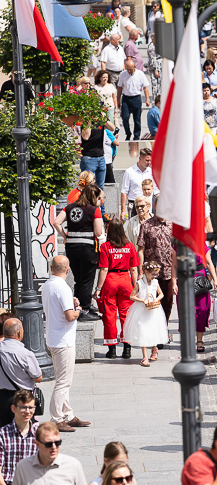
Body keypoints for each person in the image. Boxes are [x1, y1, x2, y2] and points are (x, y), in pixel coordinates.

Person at [41, 257, 91, 433]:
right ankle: (56, 418)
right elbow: (70, 316)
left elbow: (57, 308)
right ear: (68, 270)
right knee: (63, 382)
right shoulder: (63, 287)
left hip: (55, 337)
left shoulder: (48, 285)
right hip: (63, 340)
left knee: (64, 380)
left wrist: (71, 303)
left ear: (51, 267)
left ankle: (67, 415)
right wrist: (78, 310)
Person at [52, 184, 104, 321]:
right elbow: (98, 232)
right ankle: (85, 310)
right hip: (88, 249)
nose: (98, 200)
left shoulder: (69, 207)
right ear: (93, 196)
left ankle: (78, 306)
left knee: (78, 280)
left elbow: (56, 222)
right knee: (87, 281)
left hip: (71, 248)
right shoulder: (94, 210)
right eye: (98, 197)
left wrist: (65, 236)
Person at [94, 218, 140, 360]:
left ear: (109, 230)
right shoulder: (130, 246)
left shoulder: (106, 247)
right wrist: (136, 286)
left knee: (110, 315)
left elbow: (103, 269)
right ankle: (127, 348)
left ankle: (112, 349)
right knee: (126, 315)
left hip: (110, 280)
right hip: (126, 280)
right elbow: (134, 269)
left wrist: (98, 288)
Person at [0, 390, 39, 485]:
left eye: (31, 407)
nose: (27, 411)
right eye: (23, 407)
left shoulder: (40, 433)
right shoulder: (3, 434)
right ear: (13, 408)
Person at [124, 261, 170, 366]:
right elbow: (132, 296)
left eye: (156, 274)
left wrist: (156, 300)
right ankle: (144, 357)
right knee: (143, 331)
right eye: (153, 274)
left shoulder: (155, 282)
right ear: (146, 272)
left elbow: (161, 294)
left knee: (153, 328)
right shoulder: (139, 283)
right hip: (141, 310)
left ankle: (154, 348)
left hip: (153, 309)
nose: (154, 276)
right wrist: (142, 300)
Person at [117, 58, 151, 141]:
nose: (129, 71)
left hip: (136, 98)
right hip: (126, 98)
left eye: (131, 69)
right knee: (125, 117)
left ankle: (136, 136)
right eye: (128, 69)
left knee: (137, 119)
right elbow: (120, 88)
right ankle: (128, 133)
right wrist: (118, 100)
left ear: (135, 67)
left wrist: (147, 99)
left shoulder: (140, 74)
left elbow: (145, 87)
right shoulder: (123, 74)